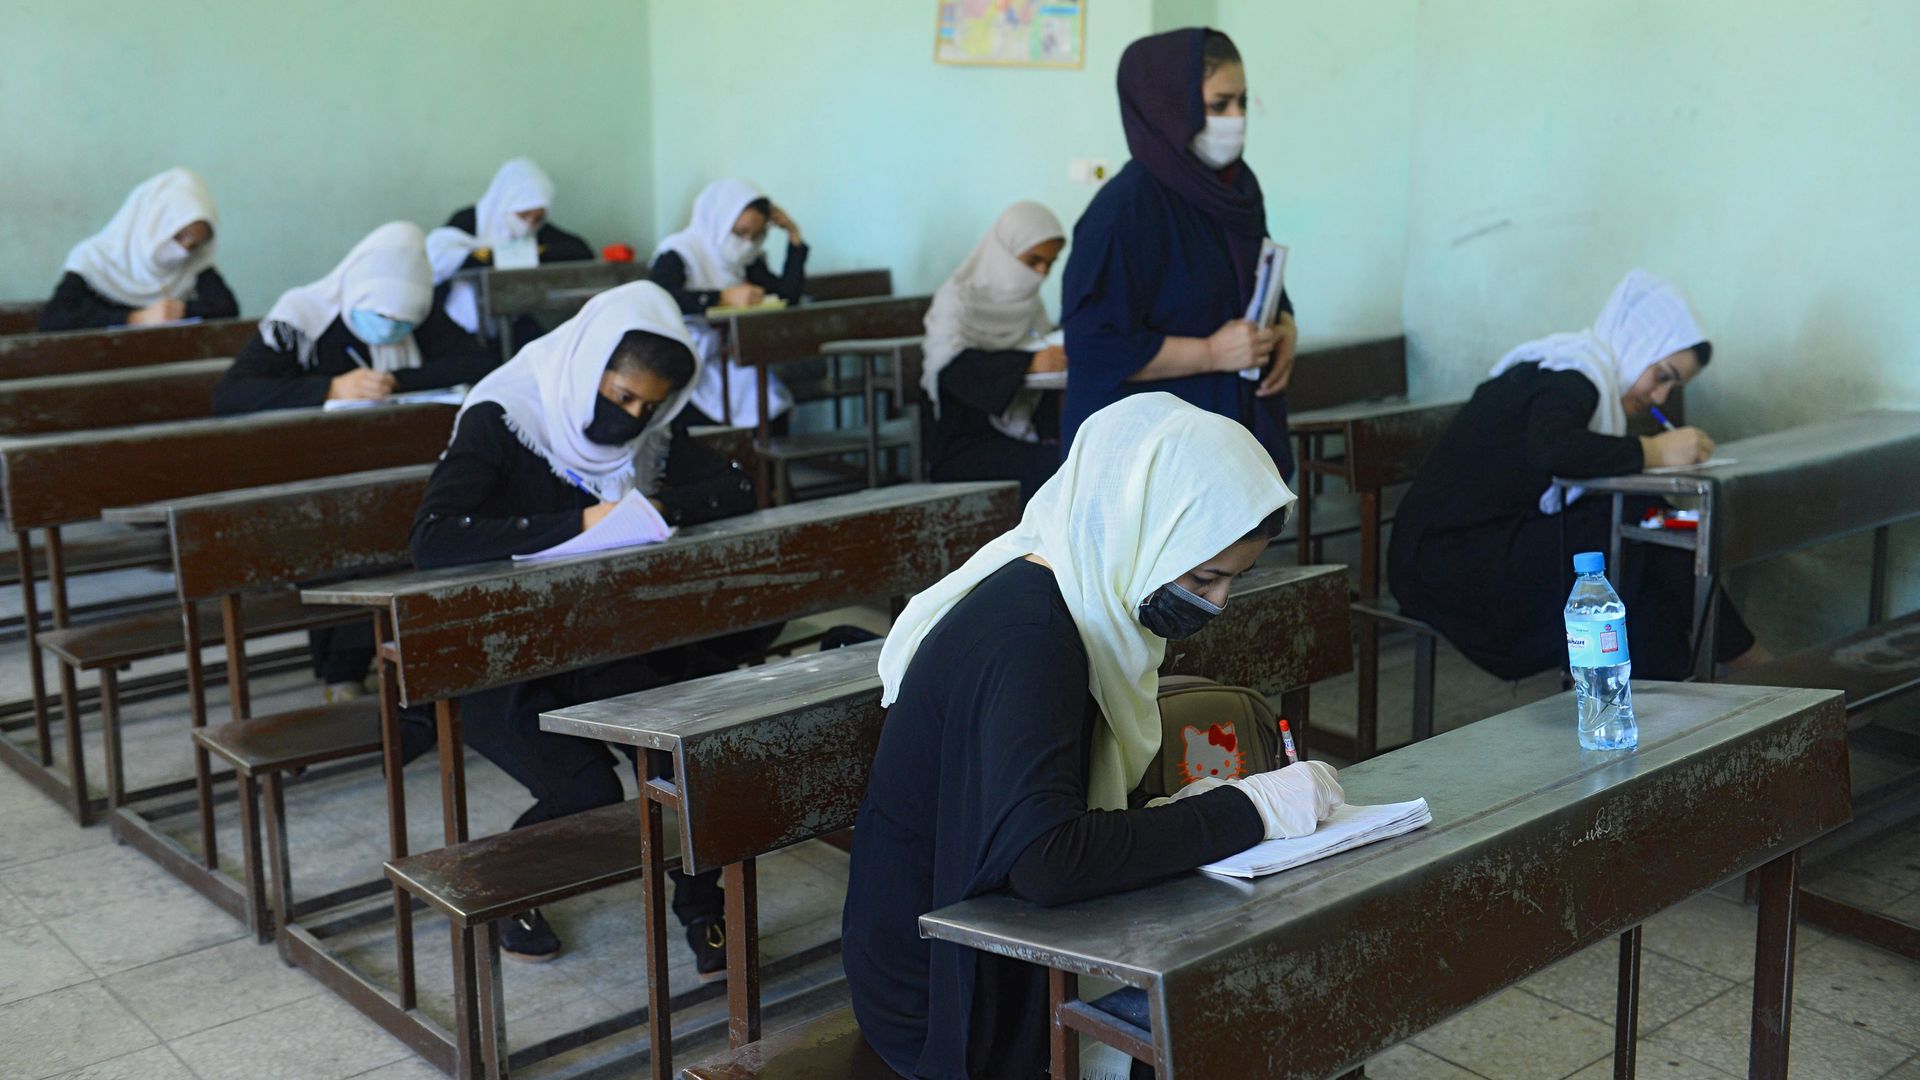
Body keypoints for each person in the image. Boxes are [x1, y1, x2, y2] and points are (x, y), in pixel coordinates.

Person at [843, 393, 1344, 1078]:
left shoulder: (1077, 591)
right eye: (1205, 576)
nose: (1218, 603)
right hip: (939, 989)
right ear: (1140, 531)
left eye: (1232, 579)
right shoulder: (1031, 638)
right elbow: (1047, 861)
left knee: (1271, 970)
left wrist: (1175, 816)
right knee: (1243, 1005)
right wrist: (1250, 809)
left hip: (988, 924)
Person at [408, 280, 761, 968]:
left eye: (650, 407)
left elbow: (738, 487)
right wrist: (581, 521)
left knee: (687, 753)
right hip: (500, 653)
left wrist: (654, 507)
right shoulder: (504, 417)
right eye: (622, 397)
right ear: (588, 364)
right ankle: (508, 887)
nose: (631, 418)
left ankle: (701, 907)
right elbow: (433, 539)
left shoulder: (650, 424)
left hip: (608, 642)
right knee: (586, 788)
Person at [1389, 270, 1769, 682]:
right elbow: (1554, 450)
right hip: (1447, 561)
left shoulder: (1579, 372)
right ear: (1637, 341)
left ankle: (1679, 703)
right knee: (1643, 523)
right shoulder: (1570, 376)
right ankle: (1748, 667)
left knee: (1644, 561)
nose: (1659, 397)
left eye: (1671, 388)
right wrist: (1654, 451)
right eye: (1662, 375)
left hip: (1483, 544)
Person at [1060, 28, 1298, 478]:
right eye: (1219, 104)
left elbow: (1254, 278)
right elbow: (1093, 344)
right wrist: (1210, 353)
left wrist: (1284, 327)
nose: (1238, 118)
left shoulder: (1235, 188)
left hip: (1225, 435)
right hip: (1146, 459)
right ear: (1169, 107)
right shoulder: (1124, 210)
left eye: (1243, 102)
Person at [212, 221, 495, 416]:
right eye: (379, 314)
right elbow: (232, 395)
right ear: (359, 292)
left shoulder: (420, 311)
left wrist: (396, 381)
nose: (390, 326)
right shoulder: (301, 317)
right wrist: (331, 389)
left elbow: (478, 364)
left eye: (403, 321)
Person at [920, 201, 1068, 504]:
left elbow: (1038, 346)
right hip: (963, 443)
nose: (1041, 273)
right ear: (1005, 253)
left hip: (1021, 432)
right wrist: (1028, 365)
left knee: (1079, 461)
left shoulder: (1031, 306)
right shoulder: (957, 300)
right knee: (1058, 470)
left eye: (1050, 264)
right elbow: (950, 372)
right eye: (1033, 261)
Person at [649, 178, 808, 427]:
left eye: (756, 235)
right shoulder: (680, 252)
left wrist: (794, 237)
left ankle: (762, 465)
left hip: (730, 359)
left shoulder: (745, 258)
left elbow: (787, 296)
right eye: (740, 232)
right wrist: (721, 297)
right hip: (687, 360)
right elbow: (658, 299)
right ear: (718, 221)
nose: (746, 243)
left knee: (772, 405)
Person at [38, 167, 238, 331]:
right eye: (178, 236)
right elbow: (55, 320)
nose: (184, 251)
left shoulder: (194, 262)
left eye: (194, 244)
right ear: (154, 224)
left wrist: (180, 310)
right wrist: (136, 318)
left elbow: (227, 309)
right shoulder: (93, 258)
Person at [427, 158, 595, 346]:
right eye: (523, 216)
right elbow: (439, 257)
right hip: (456, 322)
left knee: (544, 351)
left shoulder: (538, 231)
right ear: (506, 203)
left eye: (538, 219)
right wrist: (506, 256)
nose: (528, 225)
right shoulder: (470, 221)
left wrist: (524, 253)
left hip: (511, 317)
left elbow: (579, 250)